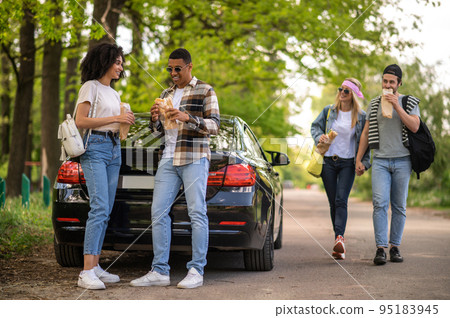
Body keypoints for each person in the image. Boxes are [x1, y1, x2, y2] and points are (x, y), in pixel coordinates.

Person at [130, 48, 220, 289]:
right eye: (169, 69)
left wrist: (187, 117)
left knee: (196, 213)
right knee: (158, 212)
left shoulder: (205, 90)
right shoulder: (166, 93)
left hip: (194, 158)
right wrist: (154, 120)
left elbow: (214, 126)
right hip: (168, 158)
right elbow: (160, 132)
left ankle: (196, 270)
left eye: (177, 68)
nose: (173, 73)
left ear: (190, 66)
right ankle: (160, 270)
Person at [75, 43, 135, 289]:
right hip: (95, 148)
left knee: (106, 209)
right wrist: (116, 118)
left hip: (113, 149)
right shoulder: (91, 86)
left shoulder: (114, 92)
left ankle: (96, 266)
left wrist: (126, 122)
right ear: (105, 61)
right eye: (117, 62)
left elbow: (116, 123)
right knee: (99, 207)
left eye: (122, 63)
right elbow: (81, 121)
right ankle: (86, 272)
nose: (120, 67)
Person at [355, 64, 420, 265]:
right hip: (381, 161)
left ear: (399, 83)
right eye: (385, 81)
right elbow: (365, 133)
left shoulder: (408, 102)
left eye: (392, 82)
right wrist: (359, 159)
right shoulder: (374, 104)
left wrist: (397, 106)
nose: (388, 85)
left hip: (403, 160)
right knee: (379, 204)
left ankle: (395, 247)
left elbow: (415, 126)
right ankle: (381, 248)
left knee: (399, 206)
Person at [311, 78, 370, 260]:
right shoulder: (329, 111)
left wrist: (364, 163)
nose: (342, 93)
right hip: (328, 161)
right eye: (341, 89)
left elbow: (365, 142)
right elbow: (315, 126)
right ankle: (338, 241)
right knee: (332, 202)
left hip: (347, 163)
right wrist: (319, 136)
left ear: (353, 95)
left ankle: (339, 239)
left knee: (340, 200)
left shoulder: (361, 116)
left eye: (346, 91)